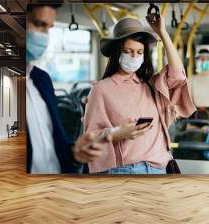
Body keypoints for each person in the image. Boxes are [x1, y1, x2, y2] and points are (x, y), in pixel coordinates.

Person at [84, 16, 196, 174]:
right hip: (125, 170)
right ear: (117, 52)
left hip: (159, 169)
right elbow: (90, 139)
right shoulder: (101, 90)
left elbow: (178, 75)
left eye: (139, 52)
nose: (134, 57)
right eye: (128, 51)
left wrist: (162, 33)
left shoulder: (152, 85)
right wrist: (118, 133)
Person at [26, 4, 109, 174]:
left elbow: (56, 143)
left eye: (48, 28)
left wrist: (75, 153)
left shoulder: (42, 80)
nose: (43, 36)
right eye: (39, 24)